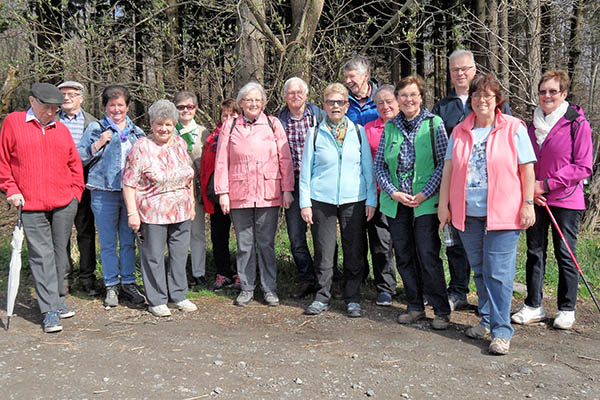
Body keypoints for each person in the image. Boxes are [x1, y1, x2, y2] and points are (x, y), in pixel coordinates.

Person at [438, 73, 536, 355]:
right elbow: (448, 171)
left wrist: (527, 202)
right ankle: (486, 318)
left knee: (499, 273)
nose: (482, 100)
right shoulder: (460, 130)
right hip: (468, 214)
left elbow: (527, 168)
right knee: (479, 271)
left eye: (488, 95)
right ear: (471, 99)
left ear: (497, 100)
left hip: (503, 214)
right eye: (477, 95)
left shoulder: (513, 127)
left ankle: (502, 331)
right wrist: (444, 205)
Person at [512, 70, 593, 330]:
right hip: (535, 197)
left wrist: (546, 184)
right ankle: (534, 304)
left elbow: (583, 166)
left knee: (565, 253)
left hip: (566, 199)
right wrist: (531, 189)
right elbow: (523, 162)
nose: (547, 96)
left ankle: (567, 307)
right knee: (535, 252)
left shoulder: (577, 122)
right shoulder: (529, 125)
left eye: (553, 91)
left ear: (564, 94)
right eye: (543, 91)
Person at [0, 83, 84, 333]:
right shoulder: (14, 123)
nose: (51, 112)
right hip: (30, 203)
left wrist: (75, 194)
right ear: (32, 101)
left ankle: (58, 300)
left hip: (63, 203)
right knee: (41, 254)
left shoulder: (61, 129)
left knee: (60, 254)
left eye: (55, 109)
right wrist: (11, 189)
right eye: (46, 107)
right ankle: (49, 311)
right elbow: (3, 162)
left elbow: (74, 163)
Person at [432, 49, 506, 311]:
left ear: (475, 69)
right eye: (455, 70)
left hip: (491, 191)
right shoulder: (442, 106)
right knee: (456, 243)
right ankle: (458, 290)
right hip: (455, 187)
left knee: (491, 250)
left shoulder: (492, 100)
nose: (460, 74)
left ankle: (491, 301)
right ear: (450, 74)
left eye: (465, 68)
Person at [373, 76, 451, 329]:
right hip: (396, 203)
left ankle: (440, 310)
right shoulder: (391, 127)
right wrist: (393, 192)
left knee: (428, 255)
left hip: (424, 204)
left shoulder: (434, 125)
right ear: (398, 99)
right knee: (404, 256)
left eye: (413, 95)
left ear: (421, 97)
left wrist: (426, 192)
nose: (408, 99)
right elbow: (380, 166)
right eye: (403, 95)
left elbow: (443, 164)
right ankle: (415, 306)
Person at [300, 83, 377, 318]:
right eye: (330, 102)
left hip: (354, 198)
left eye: (340, 102)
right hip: (321, 199)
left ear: (346, 105)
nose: (335, 106)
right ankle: (322, 296)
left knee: (354, 250)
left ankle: (353, 297)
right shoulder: (314, 133)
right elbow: (306, 172)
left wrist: (371, 199)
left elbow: (367, 169)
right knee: (324, 251)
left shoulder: (358, 132)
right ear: (324, 105)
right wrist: (305, 203)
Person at [214, 82, 294, 307]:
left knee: (267, 244)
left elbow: (285, 159)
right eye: (249, 100)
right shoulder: (230, 126)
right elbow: (221, 162)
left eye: (257, 100)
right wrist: (223, 193)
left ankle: (269, 289)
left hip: (268, 193)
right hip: (239, 193)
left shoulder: (273, 124)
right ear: (240, 103)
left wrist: (287, 190)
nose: (253, 104)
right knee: (244, 244)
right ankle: (247, 287)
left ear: (263, 103)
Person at [122, 99, 198, 317]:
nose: (164, 129)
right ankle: (157, 299)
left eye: (168, 124)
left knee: (179, 254)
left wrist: (191, 203)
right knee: (153, 256)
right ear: (151, 123)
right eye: (159, 124)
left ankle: (179, 295)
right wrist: (132, 213)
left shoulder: (180, 144)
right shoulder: (141, 147)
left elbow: (189, 177)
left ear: (174, 124)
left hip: (181, 211)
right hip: (152, 213)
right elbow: (128, 183)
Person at [78, 85, 146, 308]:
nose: (116, 109)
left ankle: (128, 283)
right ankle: (111, 285)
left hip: (129, 195)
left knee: (128, 242)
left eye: (120, 105)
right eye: (112, 105)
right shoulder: (96, 128)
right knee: (108, 242)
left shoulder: (137, 132)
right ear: (105, 106)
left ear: (127, 107)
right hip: (103, 192)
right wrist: (98, 143)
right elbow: (79, 158)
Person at [276, 77, 330, 299]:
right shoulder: (278, 120)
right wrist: (284, 188)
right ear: (285, 96)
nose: (295, 96)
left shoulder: (319, 115)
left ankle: (327, 279)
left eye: (299, 92)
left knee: (323, 236)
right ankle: (306, 279)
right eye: (290, 93)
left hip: (318, 182)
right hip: (292, 183)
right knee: (296, 237)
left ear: (307, 95)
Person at [56, 80, 99, 297]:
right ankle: (63, 278)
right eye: (62, 94)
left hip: (82, 183)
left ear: (81, 98)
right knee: (60, 233)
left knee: (85, 232)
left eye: (72, 94)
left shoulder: (93, 123)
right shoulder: (50, 120)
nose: (67, 98)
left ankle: (87, 277)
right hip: (55, 183)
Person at [200, 98, 240, 290]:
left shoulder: (246, 136)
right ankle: (224, 272)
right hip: (218, 196)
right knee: (219, 236)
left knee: (243, 236)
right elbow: (207, 169)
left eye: (233, 114)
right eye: (225, 115)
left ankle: (242, 272)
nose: (229, 118)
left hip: (241, 195)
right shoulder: (212, 139)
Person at [363, 84, 397, 306]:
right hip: (379, 194)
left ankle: (419, 287)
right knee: (381, 244)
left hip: (409, 196)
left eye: (389, 102)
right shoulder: (368, 129)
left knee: (408, 244)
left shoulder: (406, 125)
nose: (385, 106)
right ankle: (385, 287)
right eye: (380, 103)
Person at [173, 90, 209, 289]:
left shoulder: (203, 132)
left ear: (195, 108)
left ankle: (199, 272)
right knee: (176, 234)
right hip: (174, 192)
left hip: (196, 191)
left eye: (190, 106)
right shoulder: (169, 129)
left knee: (197, 233)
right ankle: (177, 273)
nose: (185, 110)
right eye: (181, 107)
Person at [343, 55, 380, 126]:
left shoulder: (382, 99)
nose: (347, 81)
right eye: (346, 77)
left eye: (351, 76)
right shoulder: (342, 101)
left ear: (366, 76)